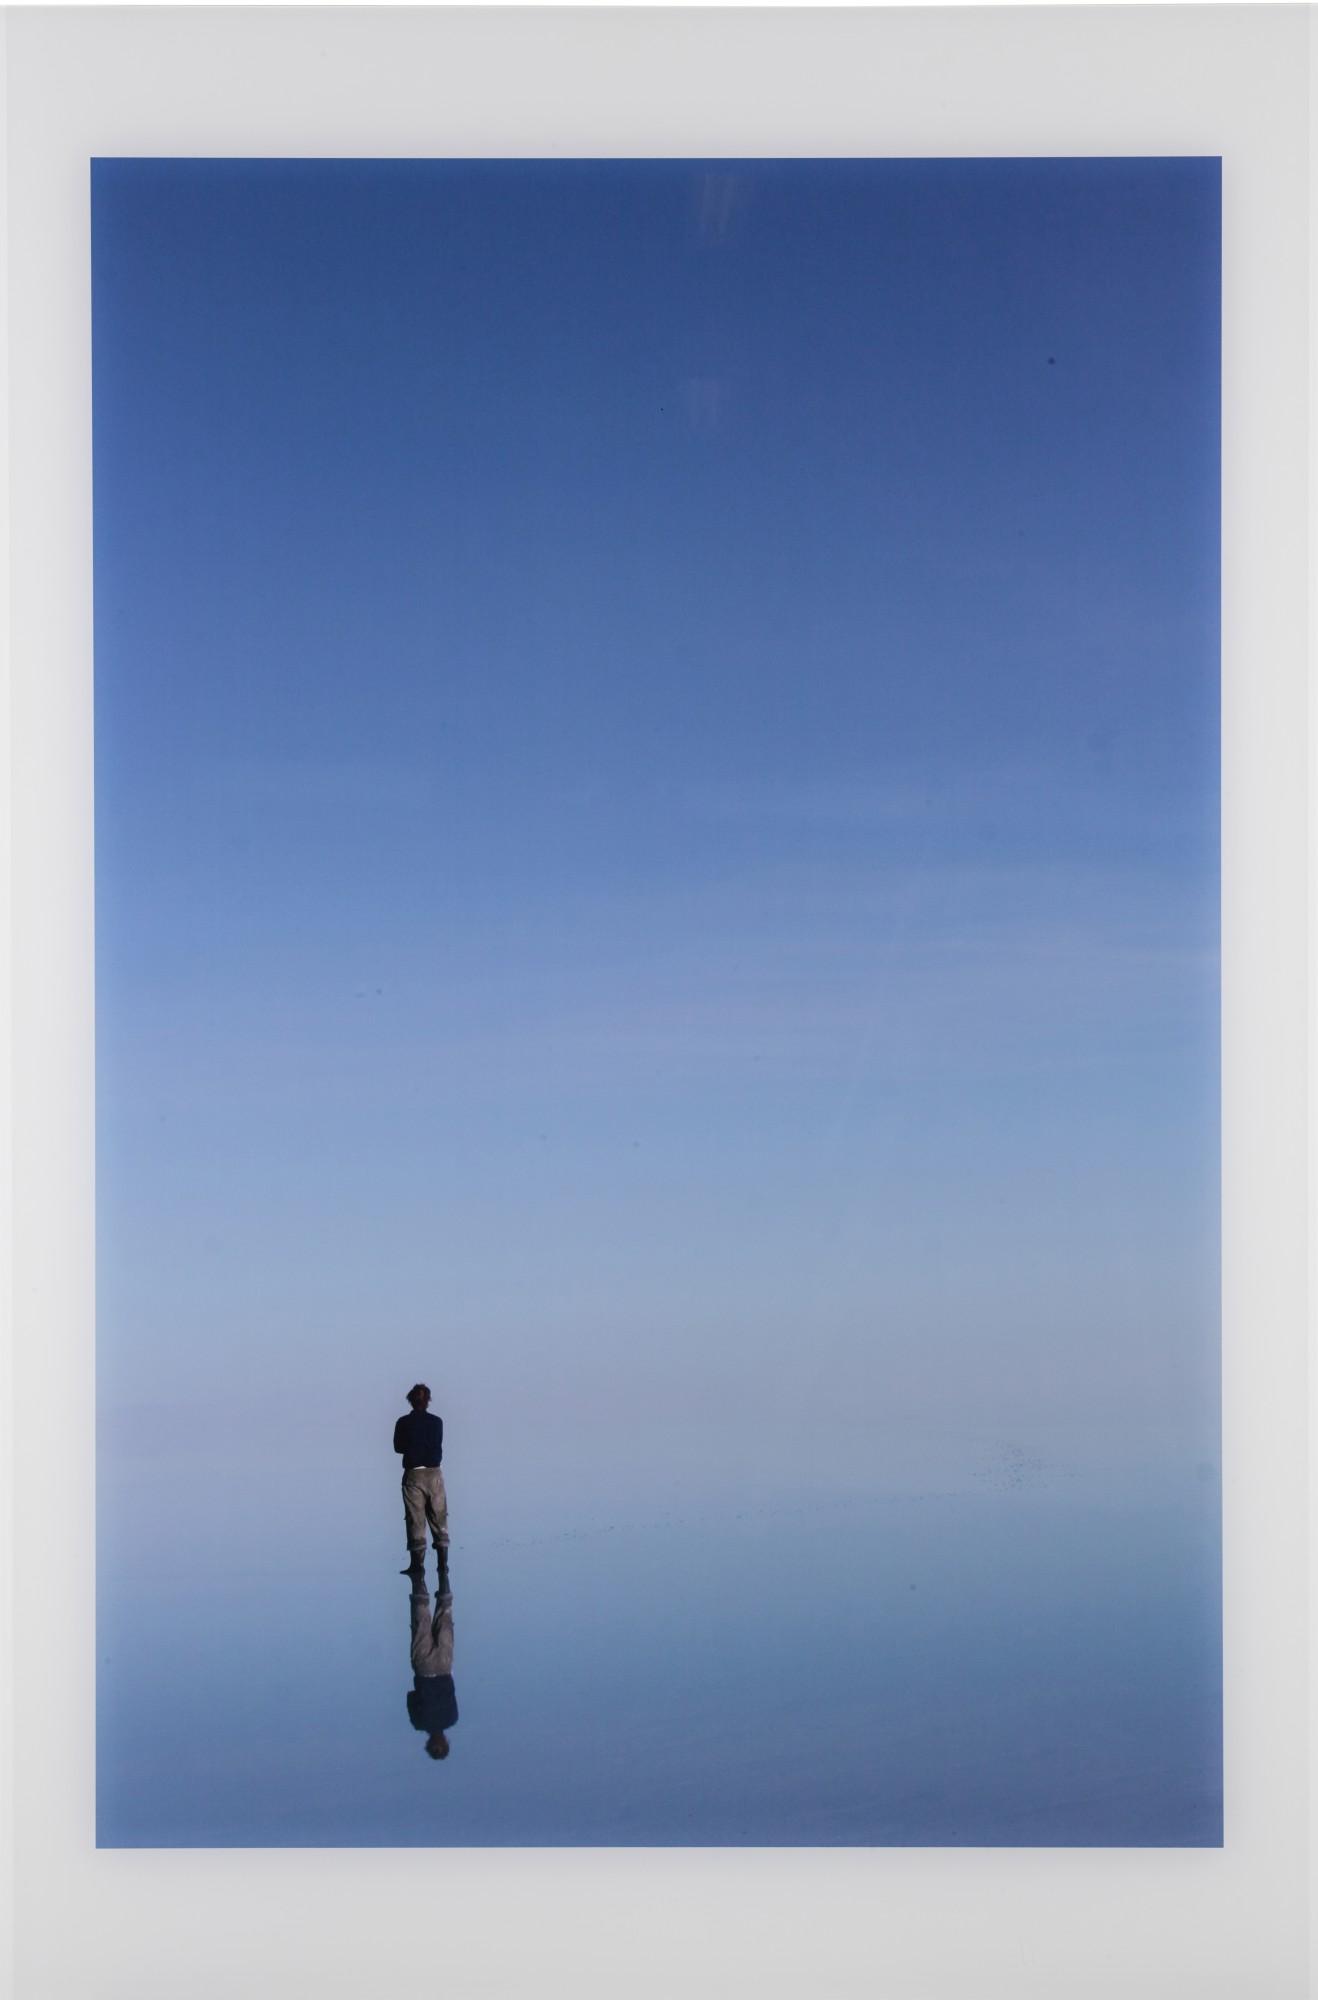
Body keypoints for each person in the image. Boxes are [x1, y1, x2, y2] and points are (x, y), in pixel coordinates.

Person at [393, 1383, 449, 1579]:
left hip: (414, 1474)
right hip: (435, 1474)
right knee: (439, 1517)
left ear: (410, 1400)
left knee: (415, 1519)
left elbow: (398, 1448)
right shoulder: (437, 1422)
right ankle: (443, 1564)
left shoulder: (403, 1422)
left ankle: (417, 1565)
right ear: (428, 1401)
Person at [407, 1579, 458, 1761]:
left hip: (444, 1668)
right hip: (424, 1671)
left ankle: (443, 1567)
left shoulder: (452, 1718)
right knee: (421, 1620)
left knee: (445, 1617)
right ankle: (418, 1577)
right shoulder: (419, 1723)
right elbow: (412, 1697)